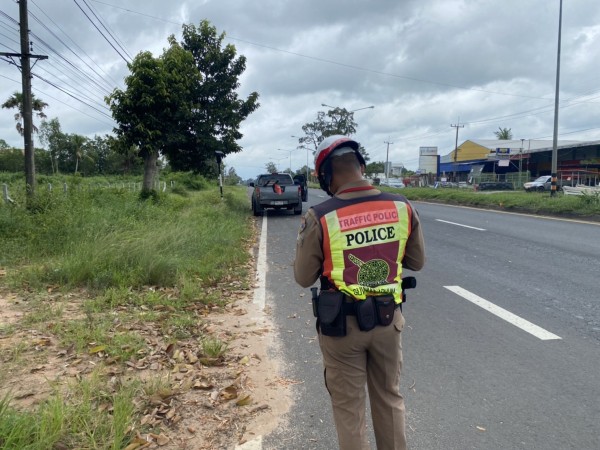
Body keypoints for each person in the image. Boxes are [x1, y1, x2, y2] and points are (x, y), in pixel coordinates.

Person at [294, 135, 426, 450]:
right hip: (388, 322)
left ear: (326, 175)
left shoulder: (321, 216)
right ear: (362, 167)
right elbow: (416, 262)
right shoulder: (401, 206)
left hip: (342, 328)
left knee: (349, 410)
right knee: (389, 399)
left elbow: (303, 277)